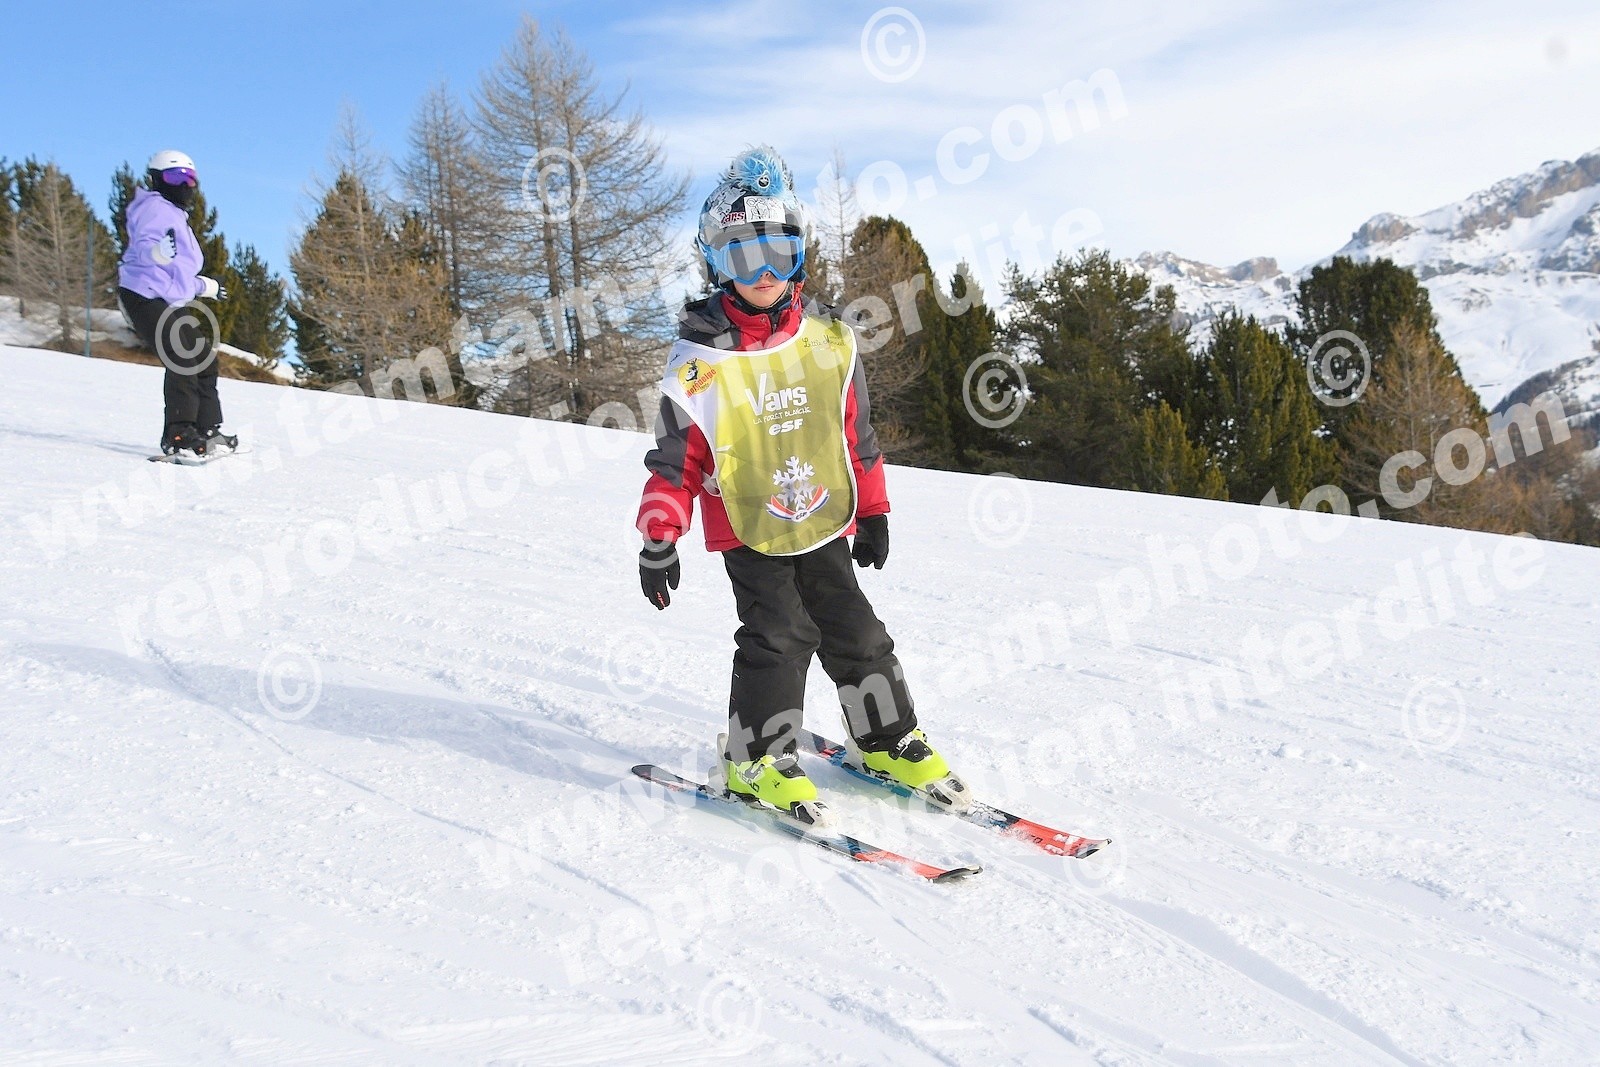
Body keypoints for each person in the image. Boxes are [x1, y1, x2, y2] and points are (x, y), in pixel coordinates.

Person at [635, 146, 966, 826]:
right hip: (748, 522)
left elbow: (854, 433)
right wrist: (660, 537)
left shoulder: (827, 339)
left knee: (856, 629)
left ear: (799, 254)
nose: (763, 273)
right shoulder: (703, 358)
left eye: (778, 253)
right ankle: (755, 758)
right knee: (780, 632)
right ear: (716, 261)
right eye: (743, 256)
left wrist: (872, 509)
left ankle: (886, 740)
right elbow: (676, 459)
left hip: (820, 514)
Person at [117, 149, 234, 457]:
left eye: (190, 178)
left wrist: (206, 286)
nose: (184, 185)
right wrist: (154, 253)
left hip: (164, 298)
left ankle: (206, 430)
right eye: (174, 177)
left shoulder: (176, 216)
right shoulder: (154, 207)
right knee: (182, 354)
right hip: (142, 294)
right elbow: (144, 245)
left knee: (203, 357)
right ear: (157, 179)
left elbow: (178, 275)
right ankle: (179, 434)